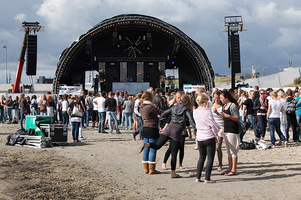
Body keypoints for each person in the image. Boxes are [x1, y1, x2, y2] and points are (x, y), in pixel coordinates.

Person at [140, 94, 197, 178]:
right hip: (177, 131)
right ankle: (173, 173)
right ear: (188, 101)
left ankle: (148, 144)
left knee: (157, 146)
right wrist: (195, 130)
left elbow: (163, 115)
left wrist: (160, 124)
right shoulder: (186, 109)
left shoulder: (173, 107)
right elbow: (191, 120)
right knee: (174, 153)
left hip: (169, 128)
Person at [194, 93, 220, 183]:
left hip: (200, 136)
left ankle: (198, 177)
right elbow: (212, 124)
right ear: (205, 101)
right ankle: (207, 178)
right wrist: (217, 133)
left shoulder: (195, 111)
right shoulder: (207, 111)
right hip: (209, 136)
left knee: (201, 157)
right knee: (210, 158)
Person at [218, 90, 240, 176]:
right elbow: (224, 118)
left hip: (233, 130)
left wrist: (228, 116)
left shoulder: (232, 105)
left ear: (226, 98)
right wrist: (218, 114)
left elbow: (237, 118)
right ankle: (230, 168)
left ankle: (234, 169)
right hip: (226, 129)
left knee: (233, 150)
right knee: (228, 151)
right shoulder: (224, 106)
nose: (220, 100)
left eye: (221, 98)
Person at [139, 92, 162, 174]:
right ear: (150, 98)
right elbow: (160, 112)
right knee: (153, 148)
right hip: (152, 128)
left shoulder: (141, 107)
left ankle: (146, 169)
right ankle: (152, 169)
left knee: (146, 147)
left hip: (145, 128)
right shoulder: (150, 107)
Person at [211, 91, 224, 172]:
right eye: (215, 97)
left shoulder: (223, 107)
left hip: (221, 128)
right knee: (211, 147)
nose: (217, 99)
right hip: (213, 128)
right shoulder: (211, 106)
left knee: (218, 147)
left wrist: (217, 113)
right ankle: (210, 163)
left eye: (218, 98)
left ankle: (220, 164)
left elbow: (224, 117)